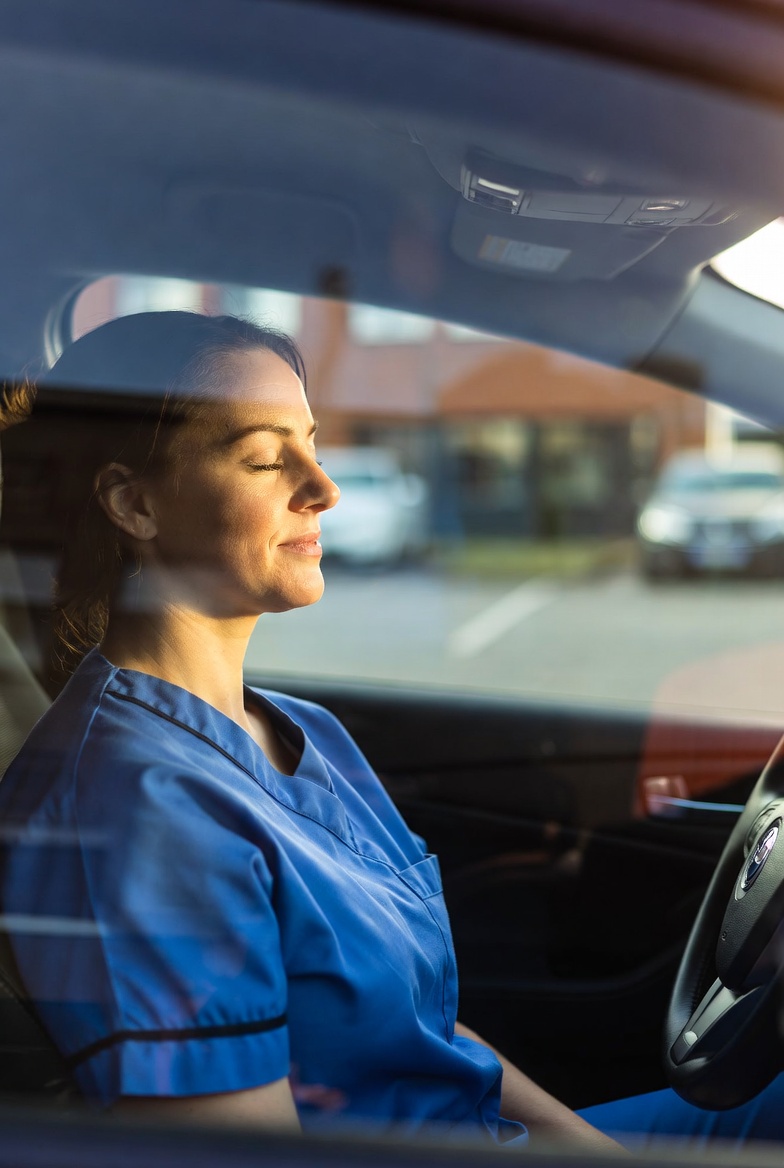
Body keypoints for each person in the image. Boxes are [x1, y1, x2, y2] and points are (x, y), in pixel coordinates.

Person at [0, 310, 782, 1153]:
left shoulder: (306, 733)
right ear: (133, 503)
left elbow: (433, 1037)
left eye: (313, 445)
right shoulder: (134, 812)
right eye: (266, 457)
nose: (322, 487)